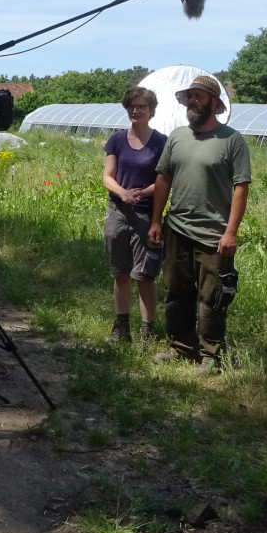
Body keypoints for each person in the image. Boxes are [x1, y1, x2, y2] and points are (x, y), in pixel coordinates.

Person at [147, 74, 251, 375]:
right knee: (176, 291)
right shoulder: (178, 137)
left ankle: (210, 355)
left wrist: (231, 232)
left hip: (214, 235)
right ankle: (181, 347)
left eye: (199, 96)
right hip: (176, 228)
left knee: (213, 296)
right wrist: (156, 220)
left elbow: (241, 188)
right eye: (189, 96)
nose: (192, 101)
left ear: (214, 103)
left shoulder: (232, 140)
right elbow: (163, 178)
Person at [102, 86, 167, 344]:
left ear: (152, 111)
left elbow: (164, 180)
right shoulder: (117, 140)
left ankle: (148, 332)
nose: (135, 110)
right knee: (120, 271)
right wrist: (124, 193)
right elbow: (108, 177)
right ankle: (121, 328)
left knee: (144, 275)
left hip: (145, 215)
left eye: (141, 106)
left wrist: (141, 194)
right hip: (118, 211)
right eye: (131, 106)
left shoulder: (161, 142)